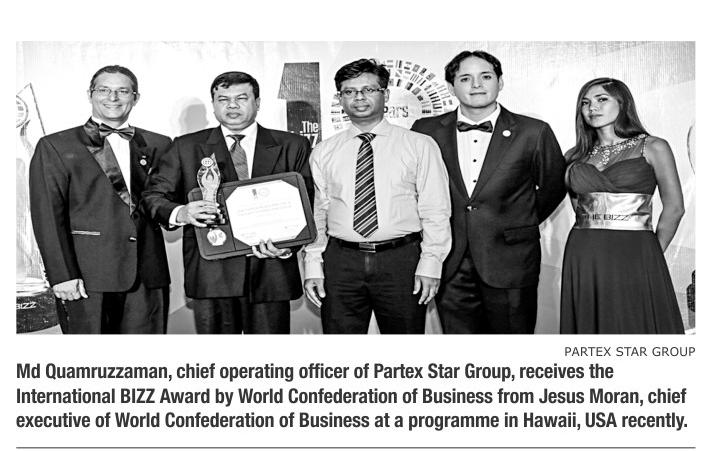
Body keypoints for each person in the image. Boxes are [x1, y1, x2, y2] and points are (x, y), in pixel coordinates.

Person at [142, 71, 312, 334]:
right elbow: (153, 197)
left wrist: (288, 247)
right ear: (214, 104)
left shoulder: (293, 145)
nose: (232, 106)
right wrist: (182, 212)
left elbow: (307, 205)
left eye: (241, 98)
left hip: (271, 270)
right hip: (212, 274)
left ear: (257, 102)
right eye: (223, 99)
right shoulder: (186, 147)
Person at [412, 50, 566, 334]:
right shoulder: (425, 130)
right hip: (450, 260)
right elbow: (416, 189)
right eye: (465, 78)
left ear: (500, 82)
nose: (476, 85)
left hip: (511, 261)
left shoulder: (533, 131)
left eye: (485, 76)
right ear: (451, 87)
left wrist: (517, 220)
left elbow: (553, 187)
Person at [303, 58, 451, 334]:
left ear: (386, 94)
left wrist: (431, 263)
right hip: (341, 262)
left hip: (402, 260)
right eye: (349, 91)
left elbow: (436, 209)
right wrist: (313, 265)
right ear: (340, 99)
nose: (359, 97)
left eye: (368, 89)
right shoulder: (324, 151)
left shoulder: (419, 145)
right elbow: (319, 213)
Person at [29, 65, 171, 334]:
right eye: (104, 90)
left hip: (148, 274)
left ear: (136, 98)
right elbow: (47, 215)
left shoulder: (161, 144)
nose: (112, 98)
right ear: (90, 94)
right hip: (86, 278)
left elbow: (167, 203)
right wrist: (62, 275)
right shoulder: (55, 145)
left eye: (122, 91)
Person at [561, 77, 685, 334]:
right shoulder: (574, 156)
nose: (592, 108)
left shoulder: (653, 147)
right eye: (585, 103)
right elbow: (581, 209)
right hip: (584, 251)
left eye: (601, 99)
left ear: (622, 103)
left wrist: (652, 252)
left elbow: (674, 207)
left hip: (636, 249)